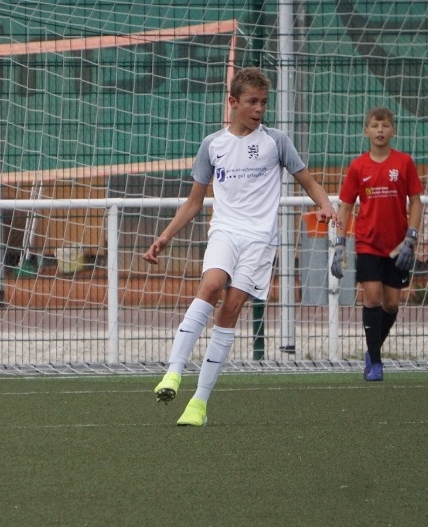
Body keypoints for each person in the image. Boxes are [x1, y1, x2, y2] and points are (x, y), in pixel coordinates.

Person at [144, 67, 338, 427]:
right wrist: (165, 236)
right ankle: (173, 371)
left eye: (264, 102)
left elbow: (309, 181)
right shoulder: (212, 145)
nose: (259, 108)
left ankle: (199, 403)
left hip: (260, 242)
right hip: (225, 232)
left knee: (230, 310)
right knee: (211, 285)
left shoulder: (276, 141)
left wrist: (325, 204)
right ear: (232, 102)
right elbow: (194, 201)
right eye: (252, 101)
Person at [330, 107, 423, 381]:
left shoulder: (404, 163)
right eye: (374, 125)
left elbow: (416, 201)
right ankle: (376, 363)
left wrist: (411, 237)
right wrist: (339, 244)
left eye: (385, 125)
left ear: (393, 130)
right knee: (371, 297)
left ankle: (372, 352)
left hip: (397, 246)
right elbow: (346, 205)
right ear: (366, 131)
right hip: (367, 243)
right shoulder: (358, 166)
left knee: (391, 304)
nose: (380, 130)